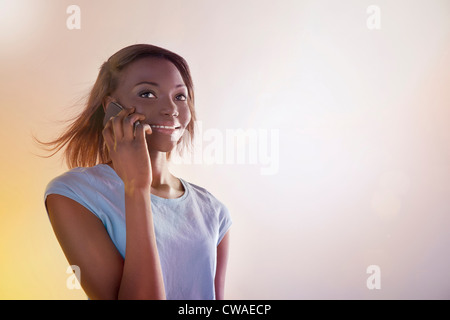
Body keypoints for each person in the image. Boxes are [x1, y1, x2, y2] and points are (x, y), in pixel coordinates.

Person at [41, 44, 232, 300]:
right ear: (111, 106)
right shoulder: (73, 194)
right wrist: (136, 187)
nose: (171, 109)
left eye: (180, 96)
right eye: (147, 94)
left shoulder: (213, 210)